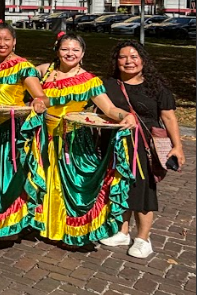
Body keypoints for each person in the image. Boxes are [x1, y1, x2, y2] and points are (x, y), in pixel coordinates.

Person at [30, 32, 135, 246]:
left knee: (73, 186)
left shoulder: (89, 81)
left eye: (75, 50)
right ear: (57, 51)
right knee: (46, 183)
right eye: (65, 49)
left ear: (83, 53)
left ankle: (70, 230)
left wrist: (126, 115)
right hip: (43, 138)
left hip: (73, 140)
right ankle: (47, 226)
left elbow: (109, 109)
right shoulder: (43, 72)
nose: (70, 53)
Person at [100, 40, 186, 258]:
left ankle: (143, 239)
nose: (128, 61)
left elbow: (169, 118)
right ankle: (122, 232)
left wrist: (177, 146)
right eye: (123, 57)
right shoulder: (108, 85)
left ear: (143, 60)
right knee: (120, 187)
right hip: (115, 144)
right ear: (116, 61)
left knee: (143, 190)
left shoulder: (156, 88)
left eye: (134, 57)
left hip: (143, 147)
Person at [0, 20, 48, 241]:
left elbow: (41, 96)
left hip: (12, 131)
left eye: (6, 39)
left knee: (9, 177)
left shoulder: (23, 66)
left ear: (14, 42)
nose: (2, 43)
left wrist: (39, 103)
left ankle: (10, 225)